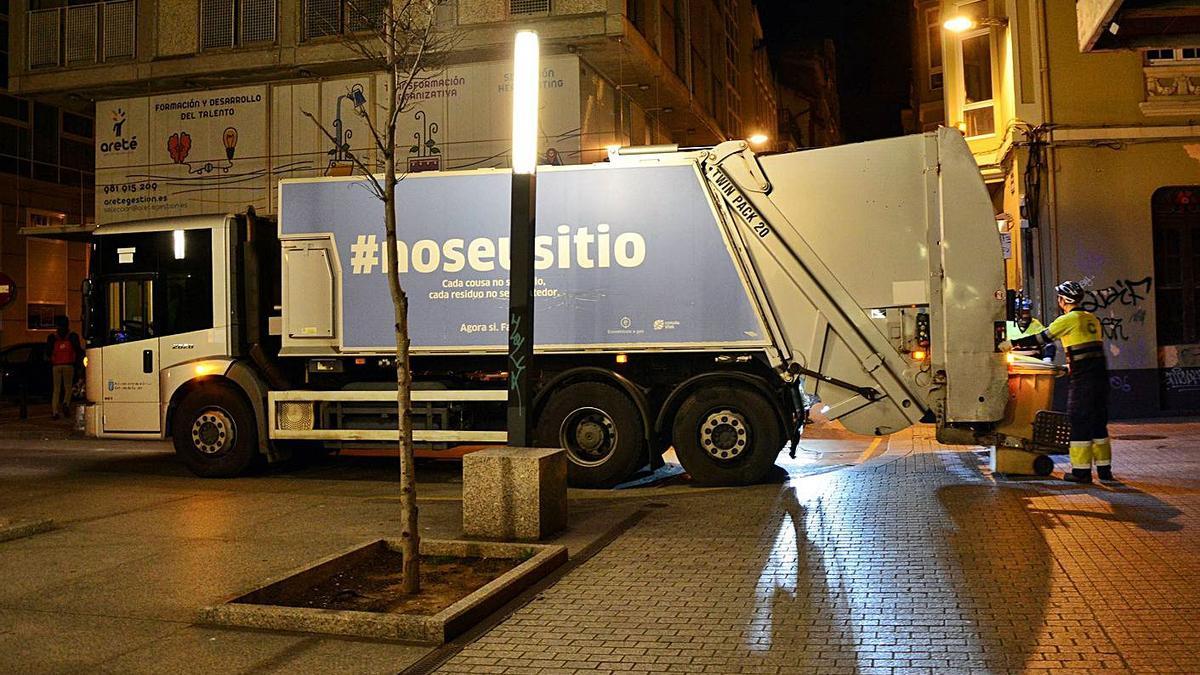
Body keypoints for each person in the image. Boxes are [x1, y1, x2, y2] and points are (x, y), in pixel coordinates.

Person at [1003, 281, 1113, 483]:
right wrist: (1069, 366)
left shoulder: (1068, 319)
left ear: (1064, 300)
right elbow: (1087, 349)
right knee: (1098, 423)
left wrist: (1011, 343)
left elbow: (1041, 339)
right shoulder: (1092, 319)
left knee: (1078, 422)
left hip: (1083, 381)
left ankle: (1081, 472)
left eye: (1059, 298)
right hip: (1100, 378)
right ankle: (1105, 471)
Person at [47, 315, 82, 420]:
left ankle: (54, 412)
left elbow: (48, 352)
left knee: (56, 389)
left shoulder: (52, 337)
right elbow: (78, 350)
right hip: (68, 365)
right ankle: (66, 403)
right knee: (68, 387)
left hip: (56, 366)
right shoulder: (72, 336)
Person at [1005, 295, 1056, 362]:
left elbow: (1049, 343)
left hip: (1034, 364)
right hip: (1013, 364)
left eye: (1027, 312)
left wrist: (1048, 357)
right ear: (1016, 313)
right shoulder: (1008, 325)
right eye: (1023, 312)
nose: (1026, 315)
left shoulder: (1036, 324)